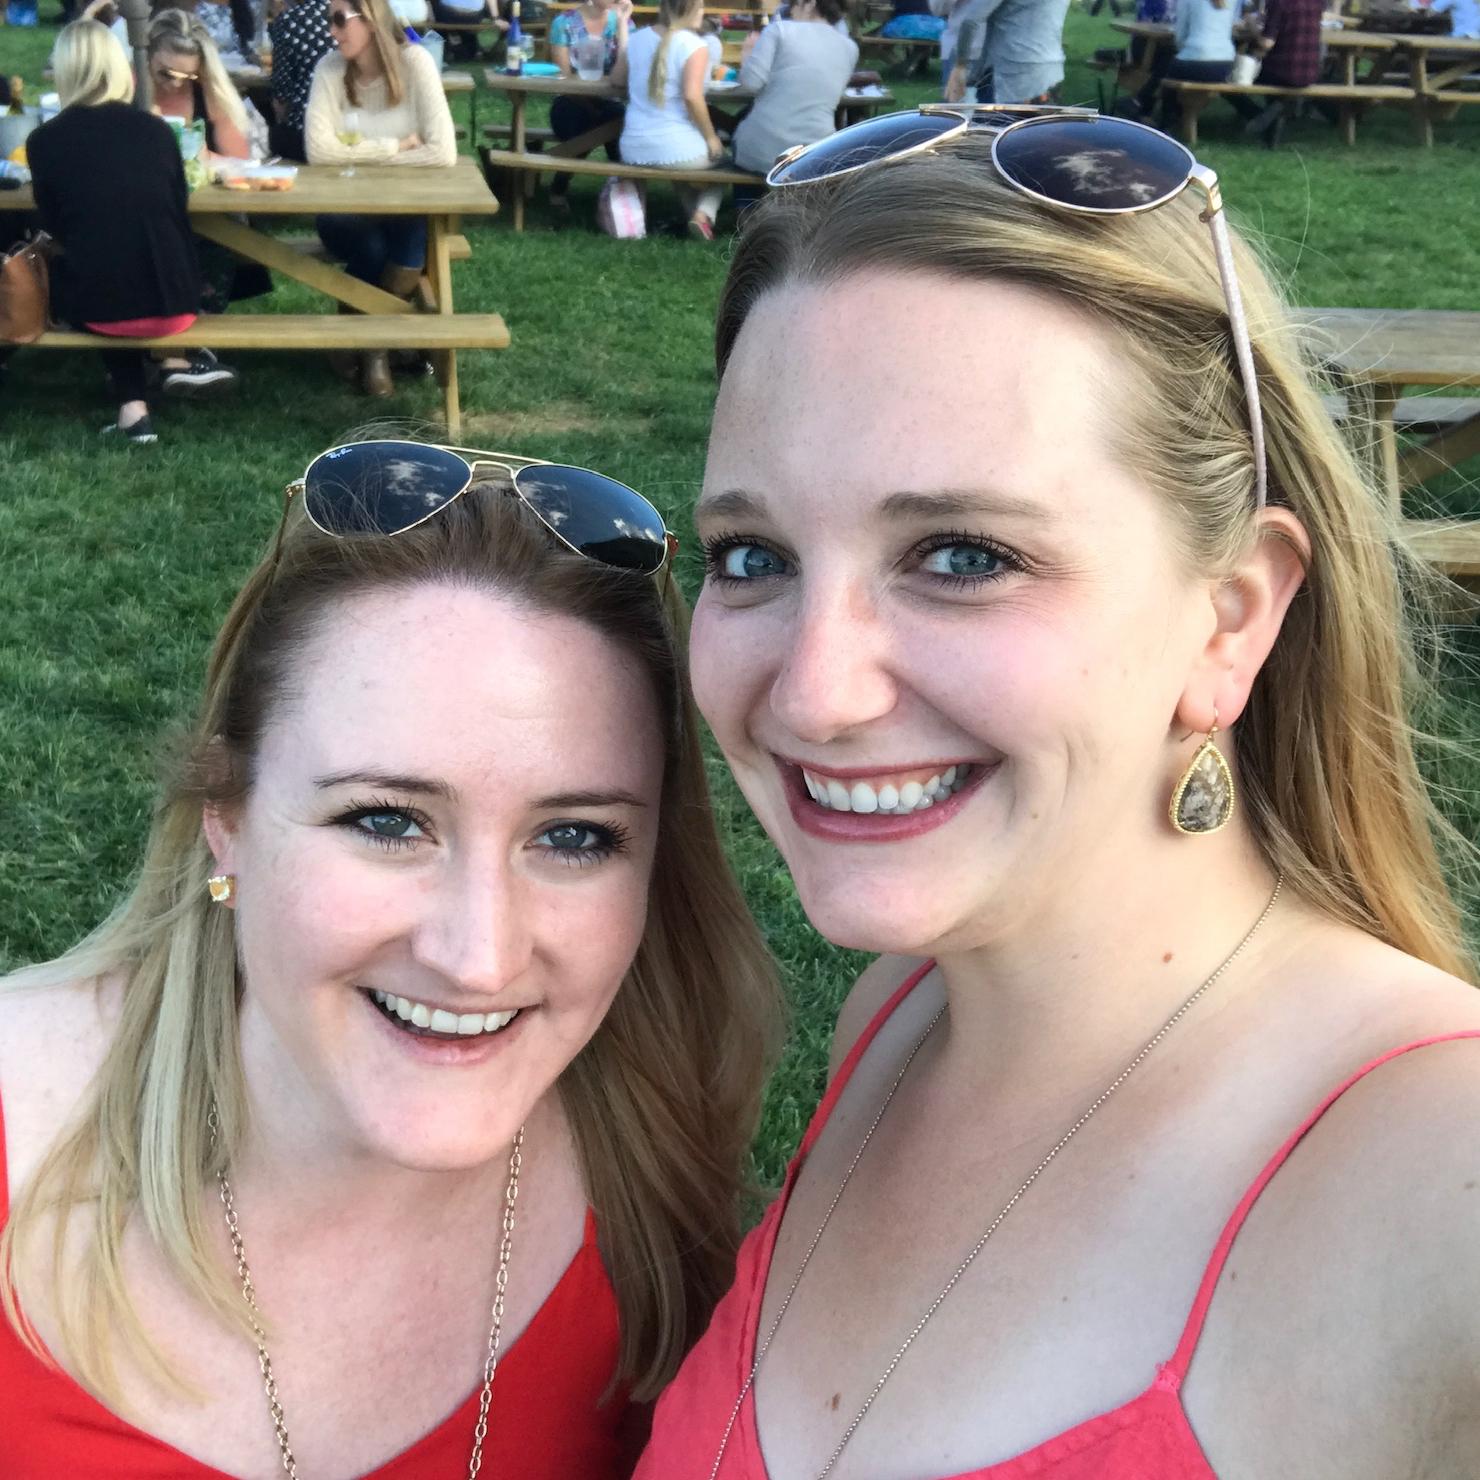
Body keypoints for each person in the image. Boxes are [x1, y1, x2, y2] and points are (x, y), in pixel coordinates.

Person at [636, 114, 1480, 1478]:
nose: (814, 691)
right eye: (752, 556)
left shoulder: (1435, 1182)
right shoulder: (898, 1023)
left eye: (963, 555)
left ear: (1230, 619)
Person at [0, 449, 782, 1479]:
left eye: (574, 837)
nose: (479, 957)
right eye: (386, 821)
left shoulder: (656, 1184)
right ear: (225, 818)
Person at [26, 21, 237, 445]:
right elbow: (177, 205)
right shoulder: (157, 131)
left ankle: (133, 405)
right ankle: (173, 364)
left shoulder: (44, 141)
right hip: (178, 299)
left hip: (100, 307)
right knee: (120, 256)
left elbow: (54, 227)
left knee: (90, 265)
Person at [305, 0, 456, 394]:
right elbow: (318, 151)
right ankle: (376, 345)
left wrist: (357, 155)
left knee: (408, 237)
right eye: (329, 20)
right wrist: (396, 146)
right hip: (341, 208)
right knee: (372, 247)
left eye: (340, 20)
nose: (332, 31)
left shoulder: (416, 63)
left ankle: (371, 345)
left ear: (371, 20)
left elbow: (443, 152)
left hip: (403, 205)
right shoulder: (330, 69)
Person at [612, 0, 725, 240]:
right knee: (726, 164)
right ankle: (703, 215)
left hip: (633, 147)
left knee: (682, 162)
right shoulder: (695, 45)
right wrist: (711, 137)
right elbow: (692, 97)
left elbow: (617, 80)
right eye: (700, 7)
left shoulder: (637, 38)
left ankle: (694, 220)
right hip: (676, 146)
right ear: (688, 9)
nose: (703, 12)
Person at [730, 0, 857, 177]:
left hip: (763, 148)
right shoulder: (850, 48)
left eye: (794, 4)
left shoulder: (779, 30)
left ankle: (741, 197)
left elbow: (750, 84)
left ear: (810, 3)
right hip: (816, 152)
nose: (790, 11)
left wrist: (747, 56)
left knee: (740, 135)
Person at [547, 0, 633, 216]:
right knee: (584, 124)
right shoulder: (564, 23)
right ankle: (559, 187)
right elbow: (563, 78)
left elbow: (628, 70)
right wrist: (590, 105)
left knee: (617, 119)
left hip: (609, 101)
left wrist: (623, 25)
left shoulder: (623, 23)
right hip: (571, 99)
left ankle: (622, 197)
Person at [147, 6, 253, 160]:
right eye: (166, 74)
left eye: (188, 76)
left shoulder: (209, 93)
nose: (176, 84)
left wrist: (201, 157)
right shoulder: (128, 89)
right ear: (147, 58)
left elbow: (238, 164)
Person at [1127, 0, 1237, 127]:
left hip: (1198, 59)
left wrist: (1185, 48)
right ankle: (1144, 104)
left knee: (1168, 71)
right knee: (1170, 66)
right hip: (1225, 65)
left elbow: (1180, 37)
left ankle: (1160, 118)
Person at [946, 0, 1070, 104]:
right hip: (1052, 70)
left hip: (1011, 73)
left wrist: (960, 65)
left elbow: (971, 20)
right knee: (1042, 125)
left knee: (994, 125)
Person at [1231, 0, 1323, 137]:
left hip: (1282, 71)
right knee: (1269, 73)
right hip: (1310, 72)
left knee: (1232, 79)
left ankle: (1257, 114)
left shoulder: (1278, 3)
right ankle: (1276, 110)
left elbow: (1267, 43)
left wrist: (1253, 28)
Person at [267, 0, 333, 159]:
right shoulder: (354, 16)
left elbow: (281, 95)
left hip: (303, 133)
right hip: (351, 129)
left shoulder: (289, 20)